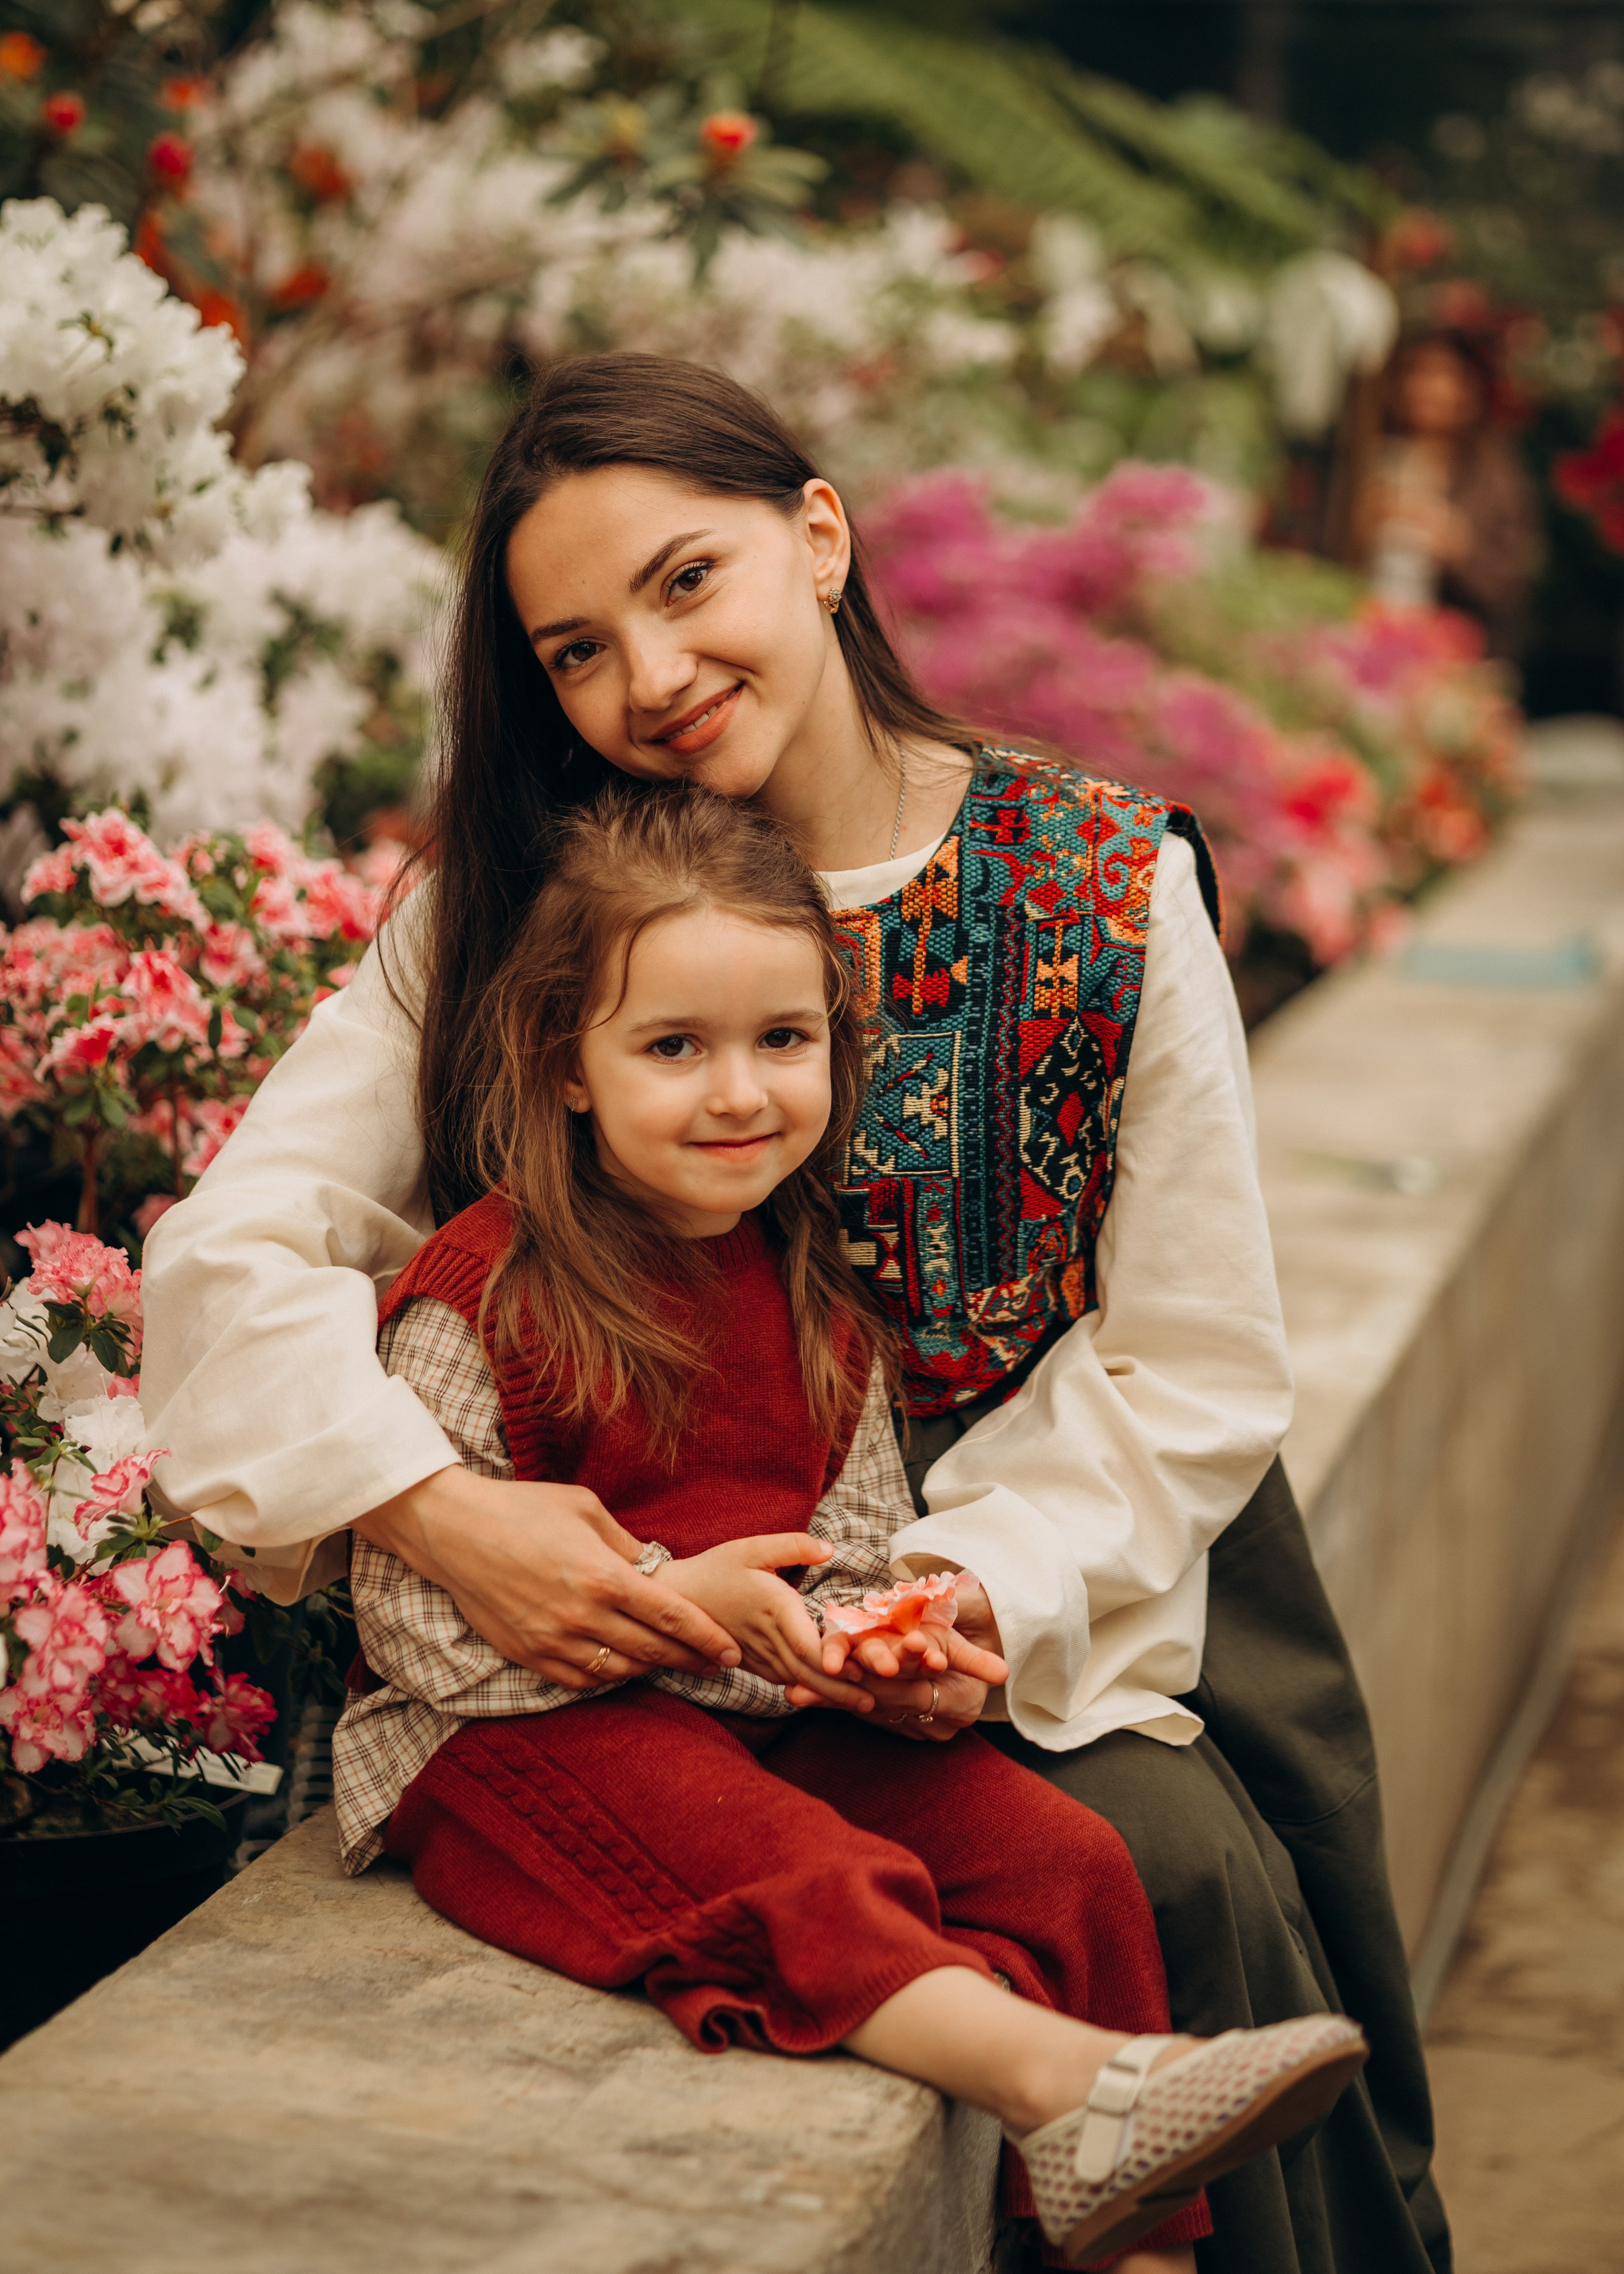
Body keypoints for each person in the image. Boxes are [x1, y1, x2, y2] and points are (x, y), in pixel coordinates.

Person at [140, 352, 1451, 2274]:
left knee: (1160, 1867)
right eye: (576, 650)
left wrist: (954, 1590)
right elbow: (240, 1246)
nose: (651, 676)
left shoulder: (1098, 881)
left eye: (687, 582)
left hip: (1073, 1540)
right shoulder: (522, 908)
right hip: (628, 1582)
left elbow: (1191, 1362)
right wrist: (436, 1509)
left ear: (818, 539)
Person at [334, 782, 1366, 2273]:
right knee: (798, 1866)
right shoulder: (484, 1290)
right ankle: (1065, 2085)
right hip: (512, 1739)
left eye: (782, 1039)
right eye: (672, 1047)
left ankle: (1134, 2237)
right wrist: (687, 1609)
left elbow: (860, 1537)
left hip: (750, 1709)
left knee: (1065, 1861)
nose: (737, 1092)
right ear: (566, 1062)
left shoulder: (809, 1283)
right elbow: (415, 1629)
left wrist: (873, 1648)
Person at [1358, 328, 1542, 659]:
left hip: (1457, 651)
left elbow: (1513, 581)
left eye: (1442, 375)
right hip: (1367, 632)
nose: (1425, 388)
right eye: (1415, 372)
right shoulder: (1368, 457)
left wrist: (1457, 545)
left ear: (1469, 389)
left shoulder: (1494, 477)